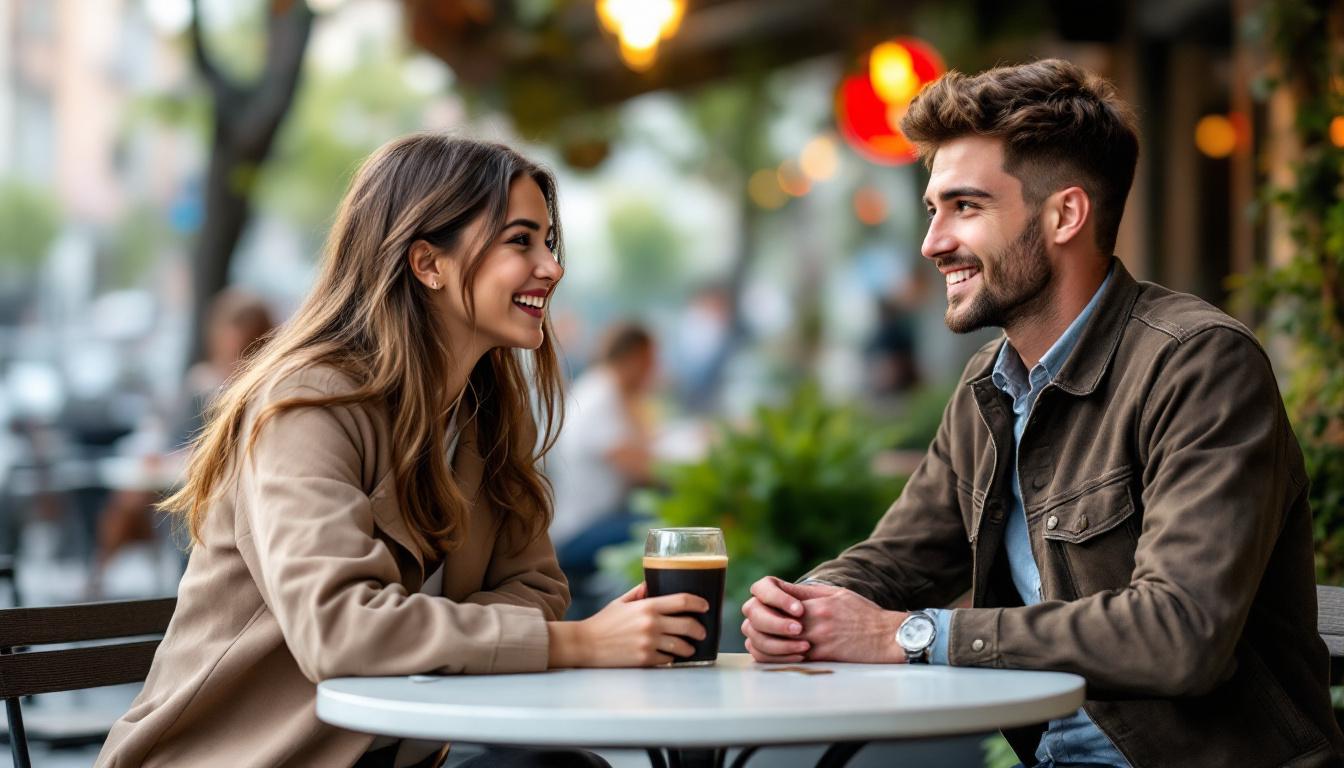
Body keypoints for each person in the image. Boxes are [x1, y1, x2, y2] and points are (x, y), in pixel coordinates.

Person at [741, 59, 1344, 768]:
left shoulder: (1199, 364)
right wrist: (805, 604)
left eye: (965, 207)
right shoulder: (989, 388)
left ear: (1065, 215)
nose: (933, 243)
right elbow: (895, 561)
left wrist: (906, 636)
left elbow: (1179, 635)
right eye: (934, 209)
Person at [96, 135, 708, 768]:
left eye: (548, 242)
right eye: (520, 241)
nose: (551, 267)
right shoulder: (307, 405)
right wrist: (574, 644)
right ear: (428, 263)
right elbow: (339, 629)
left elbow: (537, 585)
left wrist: (411, 627)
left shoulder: (488, 414)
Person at [93, 288, 275, 585]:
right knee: (128, 503)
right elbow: (177, 440)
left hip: (227, 494)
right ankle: (101, 580)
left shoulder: (263, 390)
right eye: (228, 340)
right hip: (187, 482)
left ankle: (101, 579)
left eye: (241, 342)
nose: (232, 351)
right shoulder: (201, 384)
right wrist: (166, 456)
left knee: (146, 505)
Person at [549, 323, 658, 587]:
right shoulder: (600, 397)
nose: (654, 371)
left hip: (598, 519)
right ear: (634, 358)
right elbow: (644, 468)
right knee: (666, 530)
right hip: (579, 532)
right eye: (650, 361)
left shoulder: (606, 389)